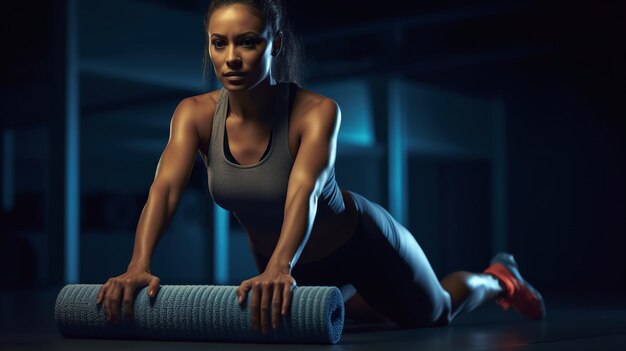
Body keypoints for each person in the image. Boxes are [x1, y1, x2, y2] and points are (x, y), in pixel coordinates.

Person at [96, 0, 546, 335]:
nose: (231, 57)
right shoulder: (192, 115)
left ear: (275, 43)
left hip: (362, 243)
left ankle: (497, 279)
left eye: (248, 41)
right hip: (289, 263)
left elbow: (303, 192)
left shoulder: (315, 112)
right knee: (344, 317)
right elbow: (165, 189)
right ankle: (366, 294)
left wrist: (280, 265)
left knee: (435, 313)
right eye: (220, 43)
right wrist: (138, 264)